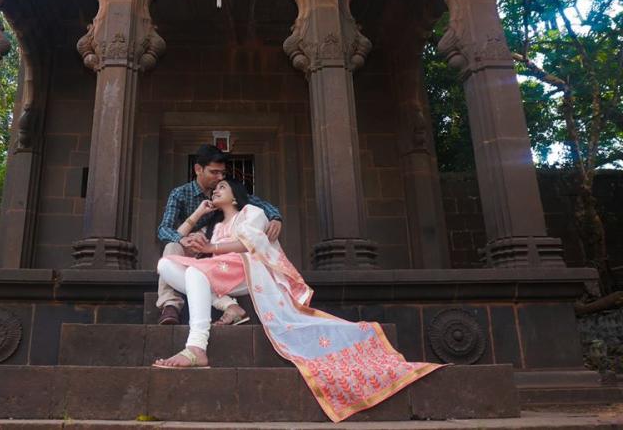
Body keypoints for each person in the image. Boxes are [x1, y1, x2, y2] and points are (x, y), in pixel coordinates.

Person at [153, 178, 446, 423]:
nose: (216, 190)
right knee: (166, 265)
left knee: (196, 273)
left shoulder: (252, 212)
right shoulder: (215, 225)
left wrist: (211, 249)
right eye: (215, 188)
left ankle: (196, 346)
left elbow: (251, 244)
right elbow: (181, 240)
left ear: (236, 196)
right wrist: (198, 235)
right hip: (219, 269)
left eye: (222, 187)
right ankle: (228, 306)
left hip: (248, 268)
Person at [155, 144, 283, 325]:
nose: (220, 178)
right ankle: (171, 305)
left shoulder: (225, 190)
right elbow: (163, 229)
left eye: (222, 173)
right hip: (192, 247)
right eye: (214, 172)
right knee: (171, 247)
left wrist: (276, 218)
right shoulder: (180, 194)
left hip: (221, 252)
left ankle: (220, 312)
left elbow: (255, 202)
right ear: (198, 169)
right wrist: (182, 238)